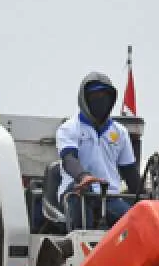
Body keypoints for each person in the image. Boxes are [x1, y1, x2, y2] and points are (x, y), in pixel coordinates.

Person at [55, 72, 141, 231]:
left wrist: (146, 197)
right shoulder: (69, 128)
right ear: (84, 99)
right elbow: (68, 159)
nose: (101, 100)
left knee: (135, 226)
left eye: (105, 96)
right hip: (76, 193)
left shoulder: (120, 132)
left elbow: (129, 172)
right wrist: (83, 177)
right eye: (95, 96)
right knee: (83, 226)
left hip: (109, 197)